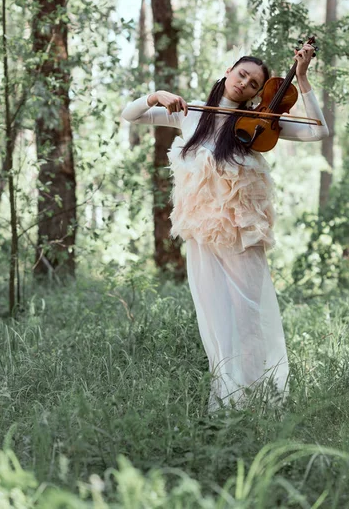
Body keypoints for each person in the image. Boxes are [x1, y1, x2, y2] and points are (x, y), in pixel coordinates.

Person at [121, 43, 329, 413]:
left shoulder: (261, 126)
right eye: (242, 75)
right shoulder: (190, 115)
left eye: (253, 85)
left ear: (258, 94)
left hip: (241, 237)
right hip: (201, 236)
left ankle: (261, 402)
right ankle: (229, 400)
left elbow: (318, 132)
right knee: (215, 319)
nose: (244, 84)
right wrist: (155, 94)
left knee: (248, 317)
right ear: (229, 72)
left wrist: (302, 77)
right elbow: (130, 114)